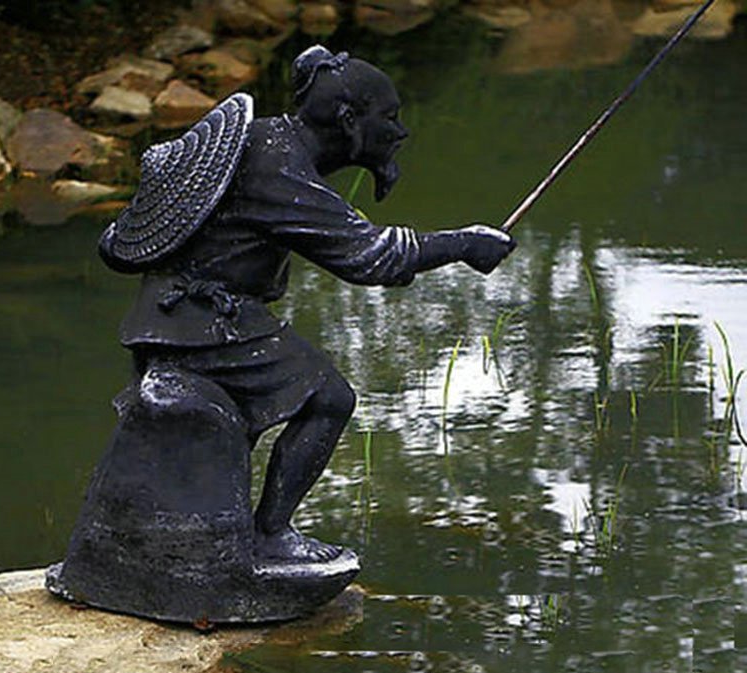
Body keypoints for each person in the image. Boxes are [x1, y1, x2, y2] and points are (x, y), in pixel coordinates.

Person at [97, 45, 516, 567]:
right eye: (389, 118)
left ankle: (197, 548)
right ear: (349, 121)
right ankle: (270, 535)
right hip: (201, 324)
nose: (400, 132)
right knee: (328, 399)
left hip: (173, 317)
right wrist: (464, 244)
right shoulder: (278, 166)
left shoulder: (269, 140)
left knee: (246, 420)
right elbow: (368, 255)